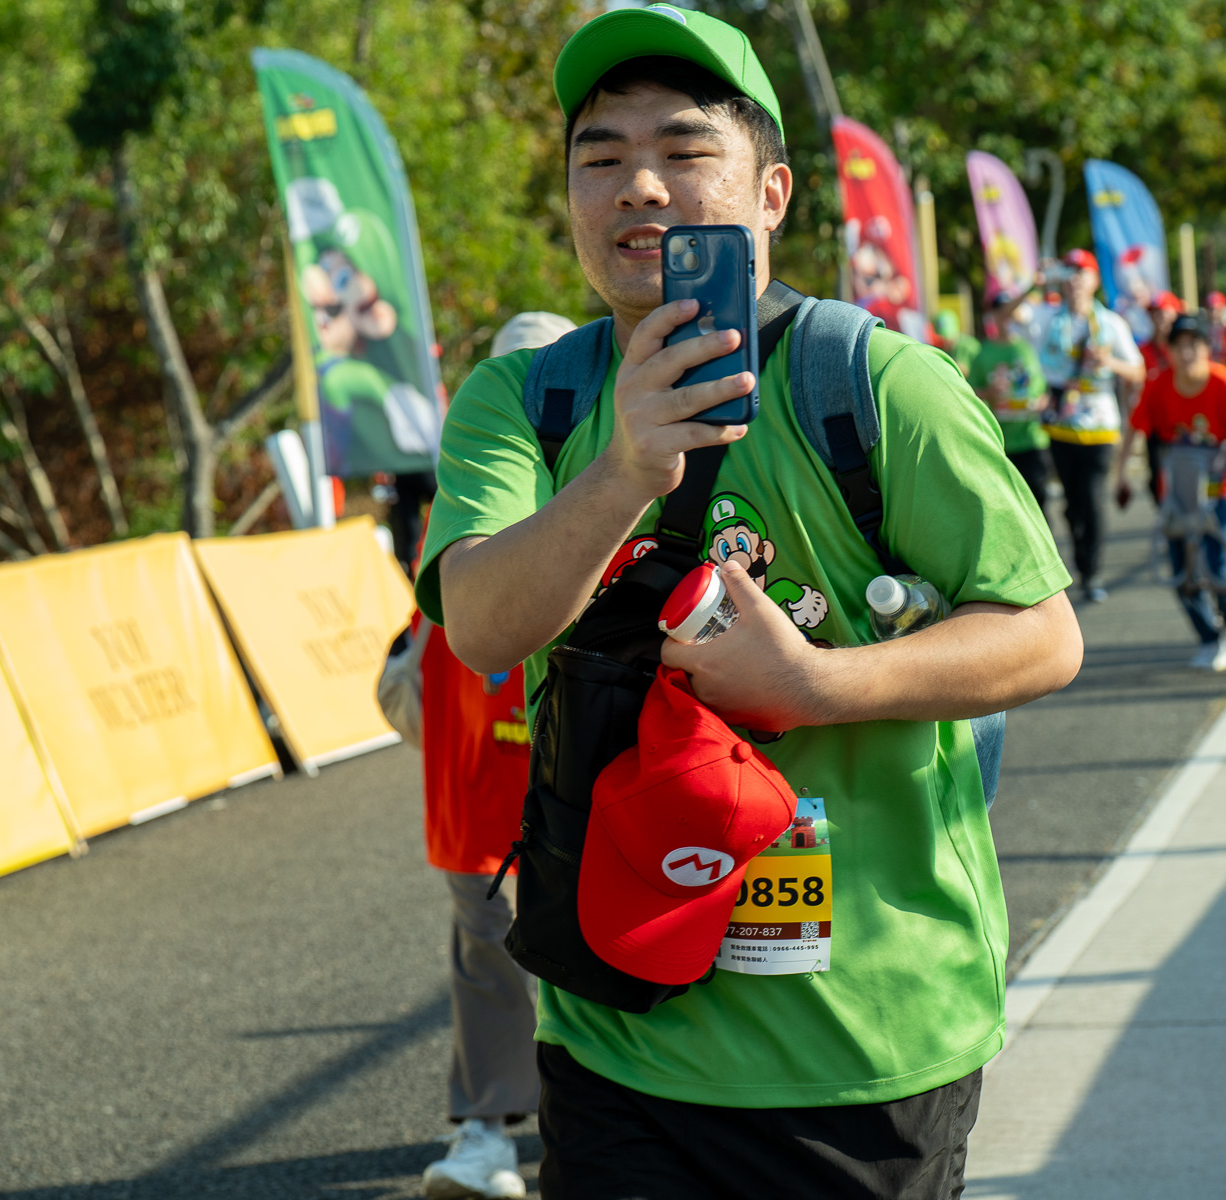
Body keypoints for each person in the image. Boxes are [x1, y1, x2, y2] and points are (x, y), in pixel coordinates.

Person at [412, 8, 1082, 1196]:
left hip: (867, 1044)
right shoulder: (524, 401)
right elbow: (483, 627)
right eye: (602, 158)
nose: (640, 186)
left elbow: (1041, 636)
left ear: (772, 195)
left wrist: (815, 686)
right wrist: (626, 468)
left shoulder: (873, 382)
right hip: (616, 1034)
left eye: (684, 150)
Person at [406, 313, 578, 1200]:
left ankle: (580, 1126)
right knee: (489, 955)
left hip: (583, 785)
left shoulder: (613, 493)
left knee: (594, 958)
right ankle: (485, 1131)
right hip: (478, 793)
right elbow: (417, 658)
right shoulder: (465, 502)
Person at [1115, 314, 1226, 670]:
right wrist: (1120, 475)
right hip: (1181, 485)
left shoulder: (1224, 383)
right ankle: (1209, 638)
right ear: (1168, 350)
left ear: (1206, 347)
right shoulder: (1159, 384)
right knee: (1180, 564)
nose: (1187, 353)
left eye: (1194, 345)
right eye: (1179, 346)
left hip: (1223, 482)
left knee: (1215, 557)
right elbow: (1135, 428)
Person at [1025, 248, 1146, 603]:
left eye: (1083, 272)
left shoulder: (1111, 323)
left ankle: (1091, 572)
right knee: (1071, 502)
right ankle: (1080, 557)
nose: (1076, 279)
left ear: (1095, 280)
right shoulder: (1047, 317)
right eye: (1070, 272)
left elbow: (1137, 371)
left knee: (1092, 501)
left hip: (1100, 426)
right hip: (1060, 426)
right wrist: (1034, 283)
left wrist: (1109, 362)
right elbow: (1004, 315)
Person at [972, 286, 1049, 509]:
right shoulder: (983, 353)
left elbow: (1044, 386)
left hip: (1032, 439)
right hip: (1000, 442)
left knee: (1039, 504)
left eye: (1011, 312)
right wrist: (989, 392)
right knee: (1008, 508)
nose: (1007, 317)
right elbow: (969, 393)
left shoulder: (1029, 346)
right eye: (1001, 311)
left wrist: (1043, 400)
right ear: (993, 316)